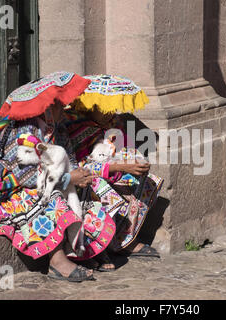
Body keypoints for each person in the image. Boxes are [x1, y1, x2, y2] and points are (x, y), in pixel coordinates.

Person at [0, 72, 116, 282]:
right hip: (4, 194)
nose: (64, 110)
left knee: (90, 188)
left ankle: (83, 249)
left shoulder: (57, 130)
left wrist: (80, 175)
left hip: (40, 183)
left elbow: (70, 161)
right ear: (47, 106)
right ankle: (57, 261)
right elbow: (26, 178)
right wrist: (68, 179)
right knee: (48, 197)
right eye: (59, 105)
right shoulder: (22, 132)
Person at [65, 74, 164, 271]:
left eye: (113, 109)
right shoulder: (75, 128)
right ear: (91, 107)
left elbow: (124, 148)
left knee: (147, 182)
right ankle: (97, 247)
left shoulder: (113, 125)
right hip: (86, 182)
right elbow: (82, 168)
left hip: (114, 173)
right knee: (105, 192)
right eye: (105, 109)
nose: (111, 113)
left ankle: (124, 240)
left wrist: (135, 162)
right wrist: (119, 167)